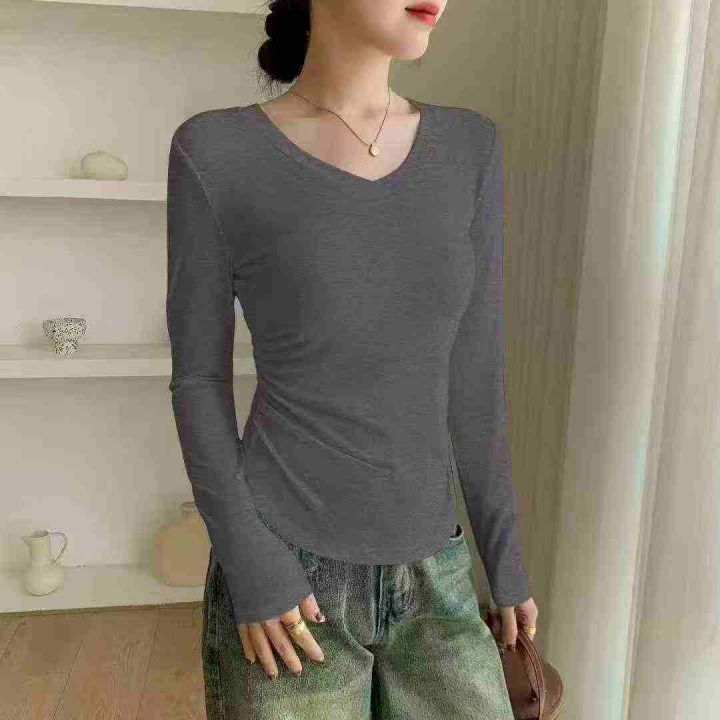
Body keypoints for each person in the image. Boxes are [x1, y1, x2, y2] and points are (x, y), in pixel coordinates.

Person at [165, 0, 539, 717]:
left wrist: (505, 559)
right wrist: (249, 562)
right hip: (287, 577)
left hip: (438, 572)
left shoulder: (470, 147)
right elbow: (199, 379)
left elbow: (475, 376)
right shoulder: (215, 149)